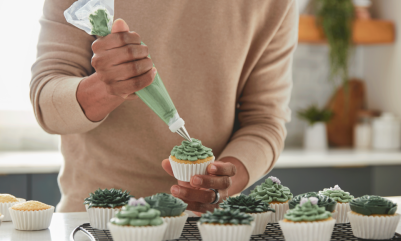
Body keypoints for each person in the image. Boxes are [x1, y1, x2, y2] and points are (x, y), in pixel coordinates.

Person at [30, 0, 297, 214]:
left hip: (207, 226)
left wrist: (221, 183)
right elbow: (48, 107)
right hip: (96, 221)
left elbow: (265, 120)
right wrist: (106, 87)